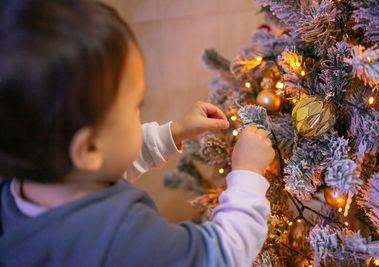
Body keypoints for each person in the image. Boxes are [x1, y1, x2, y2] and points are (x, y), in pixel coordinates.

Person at [0, 0, 275, 266]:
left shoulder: (27, 189)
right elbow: (221, 254)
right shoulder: (122, 238)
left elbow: (107, 166)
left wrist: (174, 133)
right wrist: (248, 173)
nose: (139, 114)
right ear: (88, 149)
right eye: (136, 107)